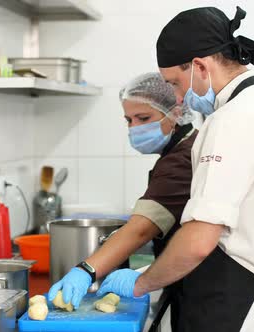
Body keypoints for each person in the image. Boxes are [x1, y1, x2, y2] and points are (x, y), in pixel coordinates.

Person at [96, 6, 254, 332]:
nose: (177, 97)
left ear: (200, 66)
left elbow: (200, 242)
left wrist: (142, 282)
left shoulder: (230, 121)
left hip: (230, 311)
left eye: (174, 83)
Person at [47, 72, 198, 330]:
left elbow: (141, 228)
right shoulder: (176, 152)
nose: (134, 128)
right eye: (128, 120)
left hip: (201, 290)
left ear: (175, 112)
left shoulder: (181, 159)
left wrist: (85, 271)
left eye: (143, 118)